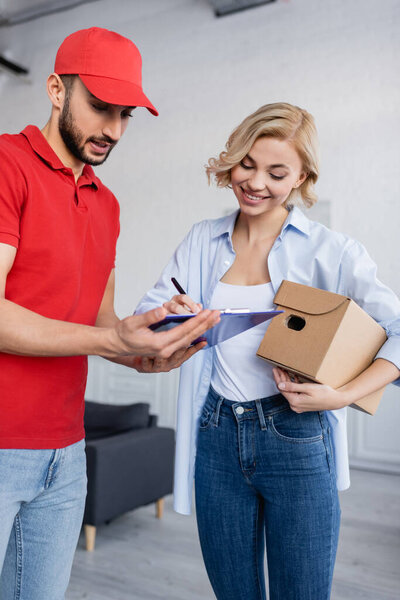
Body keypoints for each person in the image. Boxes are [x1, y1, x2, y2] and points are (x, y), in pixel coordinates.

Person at [136, 102, 400, 600]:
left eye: (277, 172)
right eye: (247, 164)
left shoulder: (332, 250)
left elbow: (398, 330)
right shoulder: (201, 241)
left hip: (296, 438)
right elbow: (145, 323)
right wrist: (170, 315)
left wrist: (342, 395)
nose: (256, 182)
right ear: (231, 160)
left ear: (302, 177)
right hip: (216, 435)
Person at [0, 27, 219, 600]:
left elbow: (99, 325)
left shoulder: (107, 205)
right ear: (55, 89)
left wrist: (144, 350)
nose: (114, 130)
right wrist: (113, 342)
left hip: (65, 454)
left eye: (126, 114)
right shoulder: (5, 165)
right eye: (100, 108)